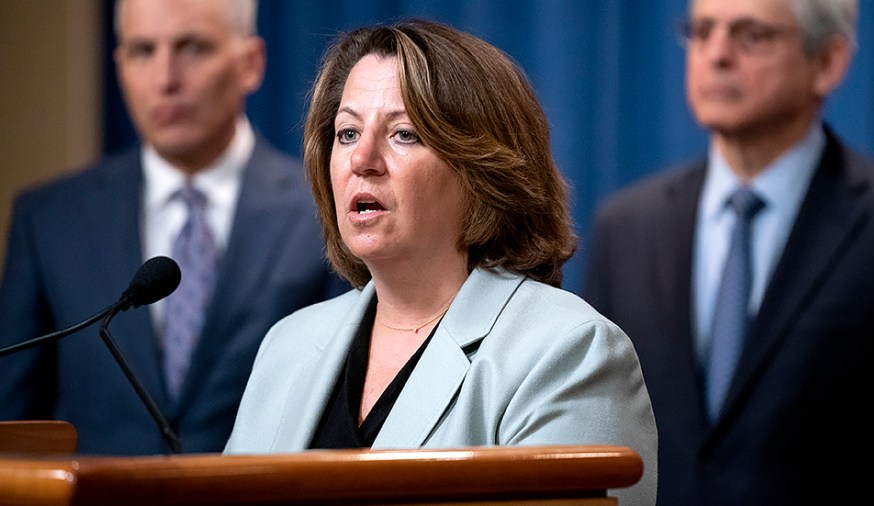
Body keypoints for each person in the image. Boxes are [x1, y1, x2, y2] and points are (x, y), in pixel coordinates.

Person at [225, 19, 658, 504]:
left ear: (481, 168)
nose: (361, 159)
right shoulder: (289, 346)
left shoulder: (568, 354)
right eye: (347, 133)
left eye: (404, 134)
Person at [582, 0, 874, 504]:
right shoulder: (625, 226)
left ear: (829, 63)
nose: (717, 54)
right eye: (703, 31)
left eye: (751, 35)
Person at [0, 0, 343, 455]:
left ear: (250, 64)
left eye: (193, 47)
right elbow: (13, 425)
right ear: (120, 67)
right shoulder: (49, 220)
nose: (165, 80)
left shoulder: (322, 210)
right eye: (143, 51)